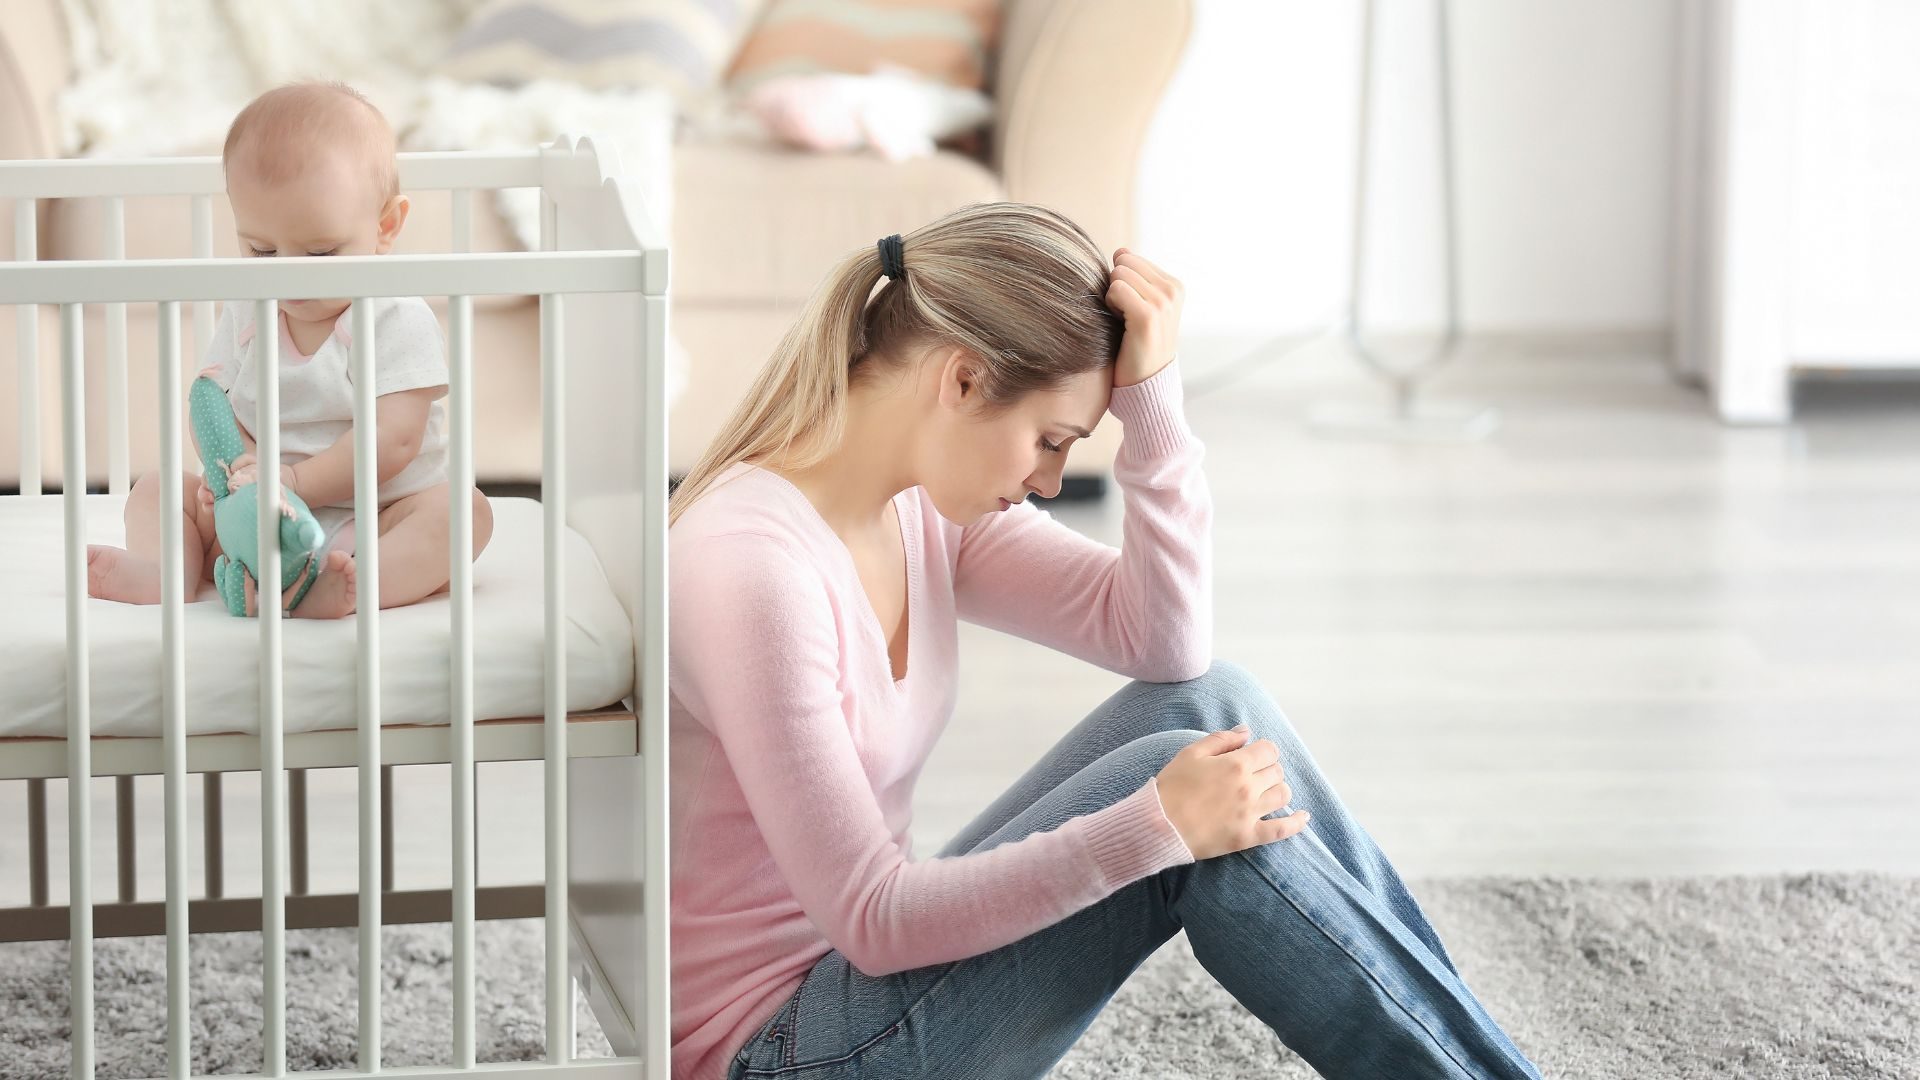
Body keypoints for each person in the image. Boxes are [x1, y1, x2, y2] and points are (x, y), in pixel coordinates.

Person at [666, 202, 1542, 1079]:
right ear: (963, 381)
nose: (1048, 482)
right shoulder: (758, 570)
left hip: (854, 985)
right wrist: (1151, 830)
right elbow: (875, 916)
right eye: (1050, 442)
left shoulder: (917, 508)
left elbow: (1168, 647)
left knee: (1211, 705)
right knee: (1170, 791)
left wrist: (1153, 404)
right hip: (779, 1051)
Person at [87, 80, 492, 617]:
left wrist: (296, 480)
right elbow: (216, 403)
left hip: (373, 514)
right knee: (157, 488)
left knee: (464, 512)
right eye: (261, 250)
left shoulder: (396, 316)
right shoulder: (248, 311)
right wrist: (234, 475)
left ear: (386, 226)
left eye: (320, 252)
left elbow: (394, 441)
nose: (286, 272)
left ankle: (346, 587)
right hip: (261, 518)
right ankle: (169, 572)